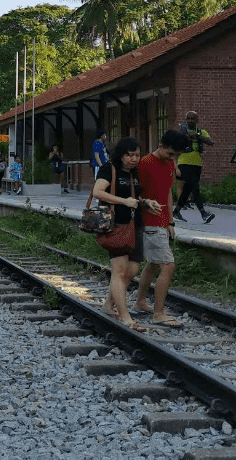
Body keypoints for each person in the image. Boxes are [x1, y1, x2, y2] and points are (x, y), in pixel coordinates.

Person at [93, 137, 160, 333]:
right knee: (119, 272)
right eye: (129, 155)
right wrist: (124, 201)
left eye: (137, 155)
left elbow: (135, 196)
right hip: (115, 225)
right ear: (121, 155)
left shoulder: (136, 172)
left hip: (135, 224)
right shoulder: (109, 169)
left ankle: (108, 304)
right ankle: (124, 316)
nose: (134, 159)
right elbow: (97, 192)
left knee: (131, 271)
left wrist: (145, 202)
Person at [134, 129, 190, 327]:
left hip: (161, 221)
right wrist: (145, 204)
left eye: (175, 156)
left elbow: (167, 191)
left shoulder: (170, 163)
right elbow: (133, 193)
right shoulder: (144, 164)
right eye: (170, 154)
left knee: (154, 264)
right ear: (160, 146)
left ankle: (140, 302)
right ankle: (159, 314)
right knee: (168, 265)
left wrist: (171, 221)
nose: (172, 159)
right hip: (149, 221)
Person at [173, 111, 215, 225]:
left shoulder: (201, 132)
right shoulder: (182, 131)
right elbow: (173, 149)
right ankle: (204, 214)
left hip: (197, 164)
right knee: (195, 188)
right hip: (184, 163)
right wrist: (176, 167)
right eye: (188, 119)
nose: (190, 121)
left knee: (187, 190)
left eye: (193, 119)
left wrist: (197, 136)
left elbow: (211, 142)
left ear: (197, 120)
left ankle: (175, 212)